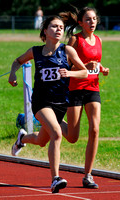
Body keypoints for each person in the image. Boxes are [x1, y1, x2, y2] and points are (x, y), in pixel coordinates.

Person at [8, 16, 87, 193]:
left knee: (41, 140)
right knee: (57, 134)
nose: (59, 29)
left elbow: (84, 72)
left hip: (60, 104)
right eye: (54, 26)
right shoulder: (35, 51)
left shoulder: (67, 51)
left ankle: (22, 139)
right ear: (45, 31)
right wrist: (12, 74)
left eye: (61, 27)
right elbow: (17, 61)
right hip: (41, 102)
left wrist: (70, 74)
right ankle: (55, 179)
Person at [59, 7, 109, 189]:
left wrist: (101, 68)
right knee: (72, 137)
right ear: (80, 22)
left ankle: (88, 175)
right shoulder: (75, 39)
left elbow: (94, 61)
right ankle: (53, 121)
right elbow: (65, 66)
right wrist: (84, 66)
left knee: (95, 130)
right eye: (88, 19)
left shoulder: (98, 39)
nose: (92, 22)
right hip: (75, 88)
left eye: (94, 19)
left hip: (93, 88)